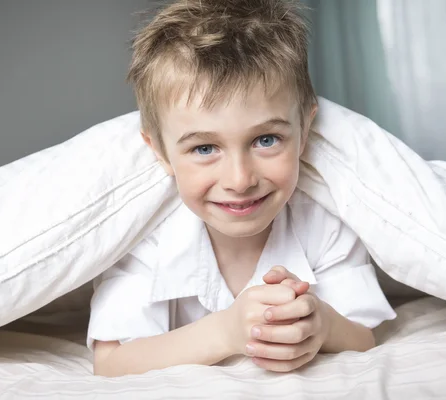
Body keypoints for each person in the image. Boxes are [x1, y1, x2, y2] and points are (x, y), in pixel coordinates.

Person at [88, 0, 396, 377]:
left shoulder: (325, 221)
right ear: (161, 152)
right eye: (204, 148)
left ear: (304, 132)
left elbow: (364, 338)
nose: (240, 179)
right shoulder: (145, 235)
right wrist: (226, 331)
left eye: (266, 140)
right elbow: (111, 363)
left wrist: (324, 326)